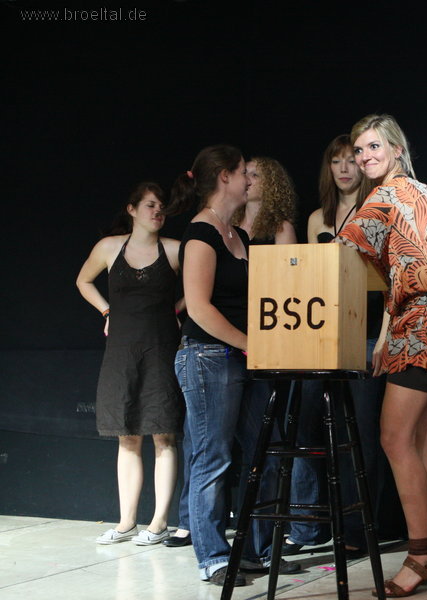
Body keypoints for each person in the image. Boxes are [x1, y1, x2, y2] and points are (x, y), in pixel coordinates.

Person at [336, 114, 427, 597]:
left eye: (373, 147)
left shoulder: (387, 195)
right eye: (359, 150)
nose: (364, 157)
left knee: (395, 439)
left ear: (396, 149)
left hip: (423, 325)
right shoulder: (420, 191)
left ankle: (418, 556)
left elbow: (342, 251)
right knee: (426, 439)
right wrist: (384, 336)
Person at [167, 144, 299, 586]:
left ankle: (256, 552)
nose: (249, 179)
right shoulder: (201, 233)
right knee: (213, 457)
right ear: (224, 176)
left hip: (244, 358)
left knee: (264, 452)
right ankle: (213, 557)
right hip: (209, 357)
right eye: (244, 171)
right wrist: (250, 344)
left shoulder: (236, 235)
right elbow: (199, 308)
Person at [282, 135, 385, 558]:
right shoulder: (316, 219)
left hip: (367, 332)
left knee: (361, 434)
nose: (344, 168)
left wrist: (383, 339)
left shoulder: (375, 209)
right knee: (310, 429)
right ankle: (310, 526)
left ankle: (359, 531)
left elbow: (389, 281)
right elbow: (310, 282)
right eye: (336, 161)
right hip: (324, 334)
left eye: (351, 160)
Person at [76, 182, 182, 546]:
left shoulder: (174, 249)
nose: (158, 211)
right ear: (132, 209)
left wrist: (177, 310)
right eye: (150, 205)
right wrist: (107, 310)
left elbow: (203, 285)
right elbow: (83, 280)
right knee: (127, 435)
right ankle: (126, 523)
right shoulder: (110, 247)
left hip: (161, 350)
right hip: (122, 352)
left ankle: (159, 522)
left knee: (163, 435)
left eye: (162, 206)